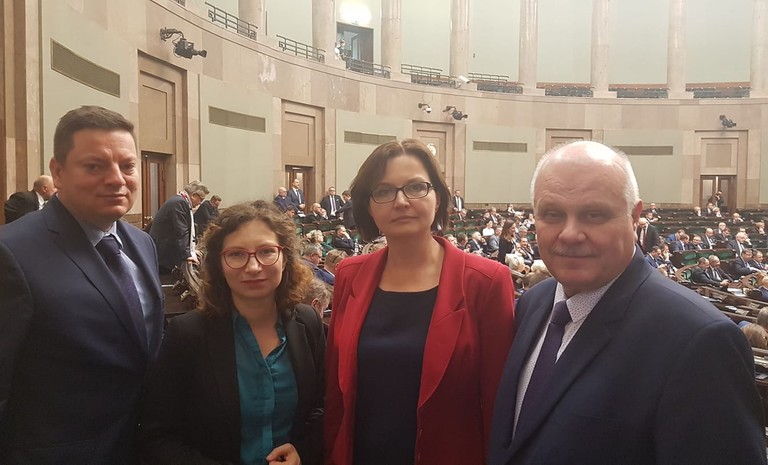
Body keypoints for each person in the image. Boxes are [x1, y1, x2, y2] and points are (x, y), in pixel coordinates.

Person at [488, 141, 765, 465]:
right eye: (552, 214)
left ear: (635, 218)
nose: (570, 234)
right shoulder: (532, 304)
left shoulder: (700, 340)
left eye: (594, 214)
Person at [325, 139, 516, 465]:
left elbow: (498, 400)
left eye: (415, 187)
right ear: (368, 206)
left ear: (437, 196)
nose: (401, 202)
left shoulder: (486, 281)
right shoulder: (349, 274)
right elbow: (335, 395)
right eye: (384, 191)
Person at [0, 106, 163, 463]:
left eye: (128, 166)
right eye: (95, 166)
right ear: (58, 172)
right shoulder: (11, 253)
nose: (117, 179)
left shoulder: (142, 243)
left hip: (141, 447)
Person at [138, 201, 324, 465]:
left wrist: (302, 451)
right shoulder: (187, 334)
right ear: (219, 264)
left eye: (266, 251)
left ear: (285, 259)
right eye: (236, 254)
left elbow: (323, 407)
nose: (253, 267)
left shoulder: (308, 323)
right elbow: (158, 437)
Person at [149, 181, 209, 274]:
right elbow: (181, 230)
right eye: (201, 199)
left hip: (164, 252)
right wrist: (187, 255)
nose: (200, 203)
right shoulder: (180, 203)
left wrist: (191, 251)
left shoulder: (179, 200)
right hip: (164, 255)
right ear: (193, 195)